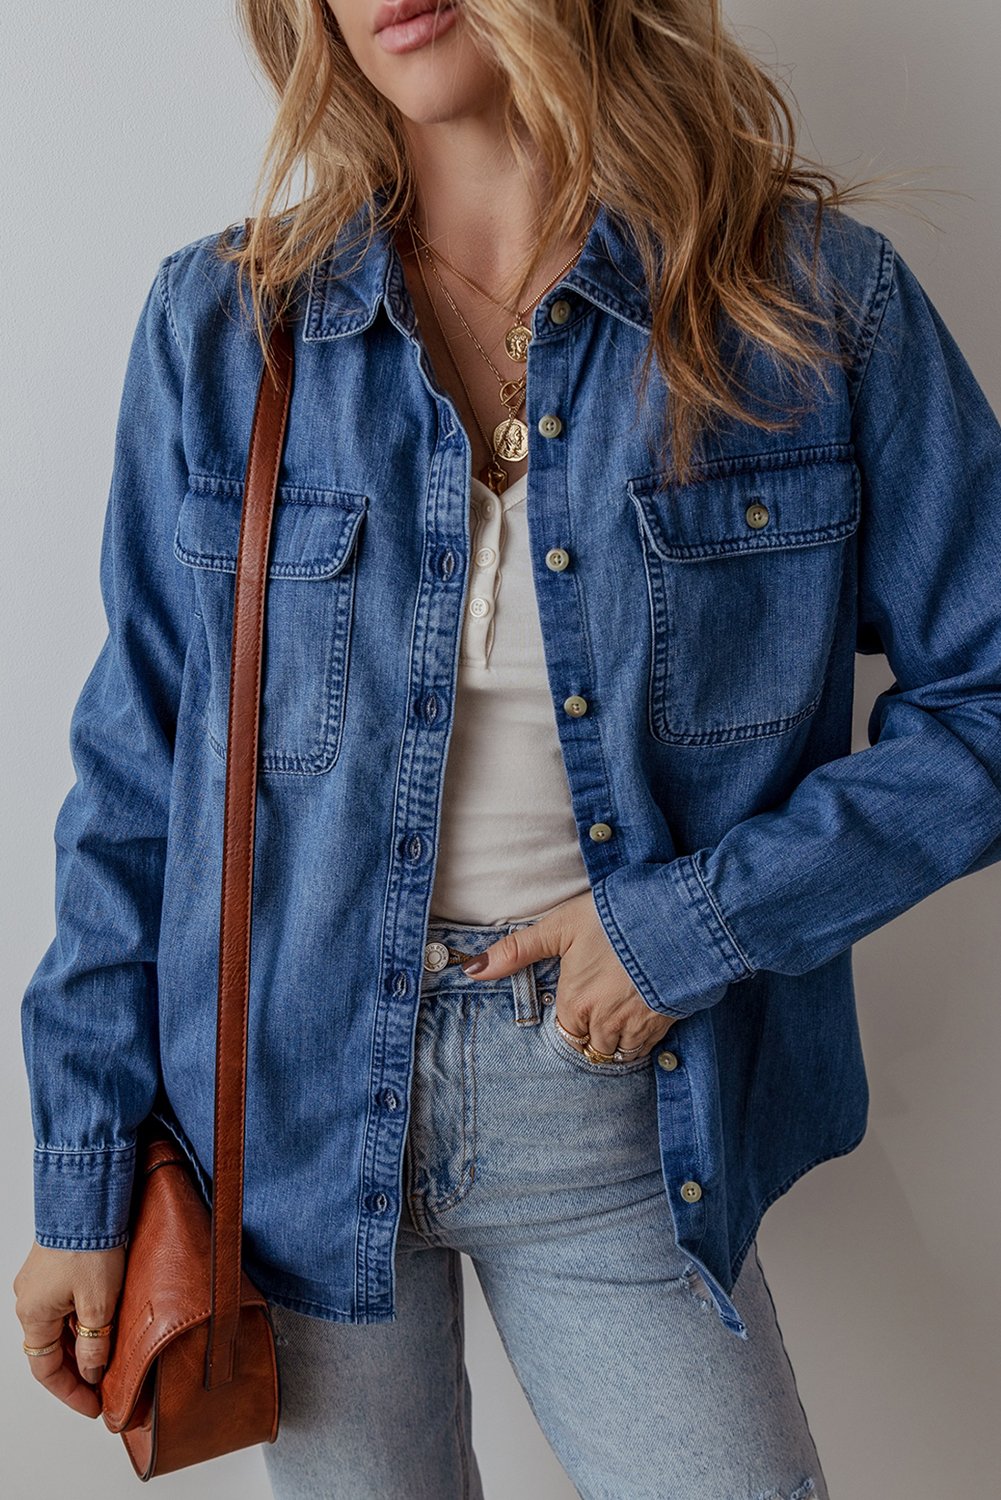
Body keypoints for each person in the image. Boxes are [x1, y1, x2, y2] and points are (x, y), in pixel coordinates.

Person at [13, 2, 1001, 1496]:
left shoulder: (804, 306)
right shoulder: (227, 325)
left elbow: (985, 698)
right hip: (281, 1124)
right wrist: (83, 1172)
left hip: (608, 1092)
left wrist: (688, 926)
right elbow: (138, 775)